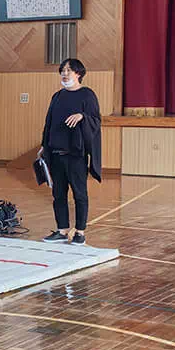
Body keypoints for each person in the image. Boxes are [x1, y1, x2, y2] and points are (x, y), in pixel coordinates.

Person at [39, 58, 101, 245]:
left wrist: (82, 116)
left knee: (79, 194)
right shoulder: (57, 96)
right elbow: (48, 123)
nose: (65, 74)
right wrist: (44, 145)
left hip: (76, 155)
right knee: (58, 194)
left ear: (78, 73)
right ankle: (62, 230)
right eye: (62, 70)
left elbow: (96, 121)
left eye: (69, 70)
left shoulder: (87, 95)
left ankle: (80, 232)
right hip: (56, 154)